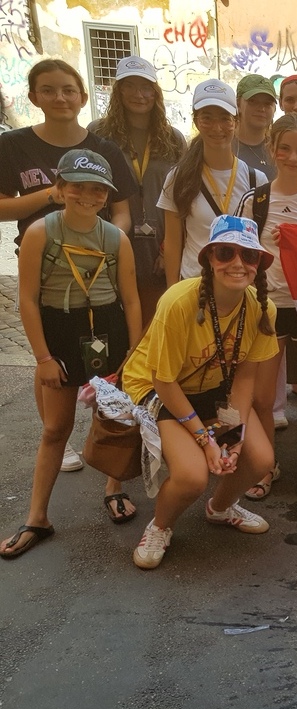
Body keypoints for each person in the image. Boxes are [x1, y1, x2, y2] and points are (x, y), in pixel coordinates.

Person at [0, 149, 142, 558]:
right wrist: (43, 358)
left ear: (107, 195)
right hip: (60, 333)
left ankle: (114, 487)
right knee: (55, 428)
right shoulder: (40, 233)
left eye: (98, 189)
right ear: (59, 189)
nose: (87, 196)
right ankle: (37, 517)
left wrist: (134, 352)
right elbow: (28, 300)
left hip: (108, 330)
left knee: (114, 419)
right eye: (77, 186)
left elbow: (131, 299)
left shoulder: (115, 238)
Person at [0, 58, 138, 474]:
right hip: (43, 258)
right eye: (48, 89)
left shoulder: (104, 149)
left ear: (82, 96)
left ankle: (102, 444)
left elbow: (122, 211)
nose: (59, 97)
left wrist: (106, 242)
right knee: (50, 354)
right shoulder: (13, 145)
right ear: (33, 96)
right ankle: (57, 436)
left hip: (97, 263)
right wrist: (52, 196)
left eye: (68, 89)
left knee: (100, 356)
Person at [125, 214, 278, 569]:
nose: (237, 264)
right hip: (160, 389)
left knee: (259, 459)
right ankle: (159, 526)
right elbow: (164, 381)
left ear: (258, 263)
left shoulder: (261, 308)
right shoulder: (179, 301)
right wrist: (206, 440)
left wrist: (234, 437)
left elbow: (244, 378)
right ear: (209, 257)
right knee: (192, 475)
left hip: (213, 388)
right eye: (225, 252)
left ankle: (220, 508)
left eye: (248, 255)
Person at [235, 114, 297, 501]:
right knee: (262, 396)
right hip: (267, 306)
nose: (293, 158)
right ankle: (266, 464)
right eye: (285, 149)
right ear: (272, 149)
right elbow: (240, 256)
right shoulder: (255, 201)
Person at [89, 56, 186, 325]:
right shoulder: (99, 133)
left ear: (155, 93)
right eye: (129, 86)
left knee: (156, 321)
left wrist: (168, 251)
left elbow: (184, 197)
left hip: (160, 245)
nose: (138, 94)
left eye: (145, 87)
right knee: (117, 321)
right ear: (118, 91)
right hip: (114, 238)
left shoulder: (173, 138)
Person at [159, 79, 267, 285]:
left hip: (239, 286)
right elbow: (172, 242)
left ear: (236, 121)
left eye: (225, 119)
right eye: (207, 118)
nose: (217, 128)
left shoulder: (256, 180)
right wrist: (172, 292)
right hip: (193, 285)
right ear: (196, 121)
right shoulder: (178, 177)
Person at [232, 74, 278, 180]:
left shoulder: (279, 149)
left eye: (267, 104)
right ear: (238, 104)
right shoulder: (223, 146)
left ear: (274, 109)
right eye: (253, 101)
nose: (261, 108)